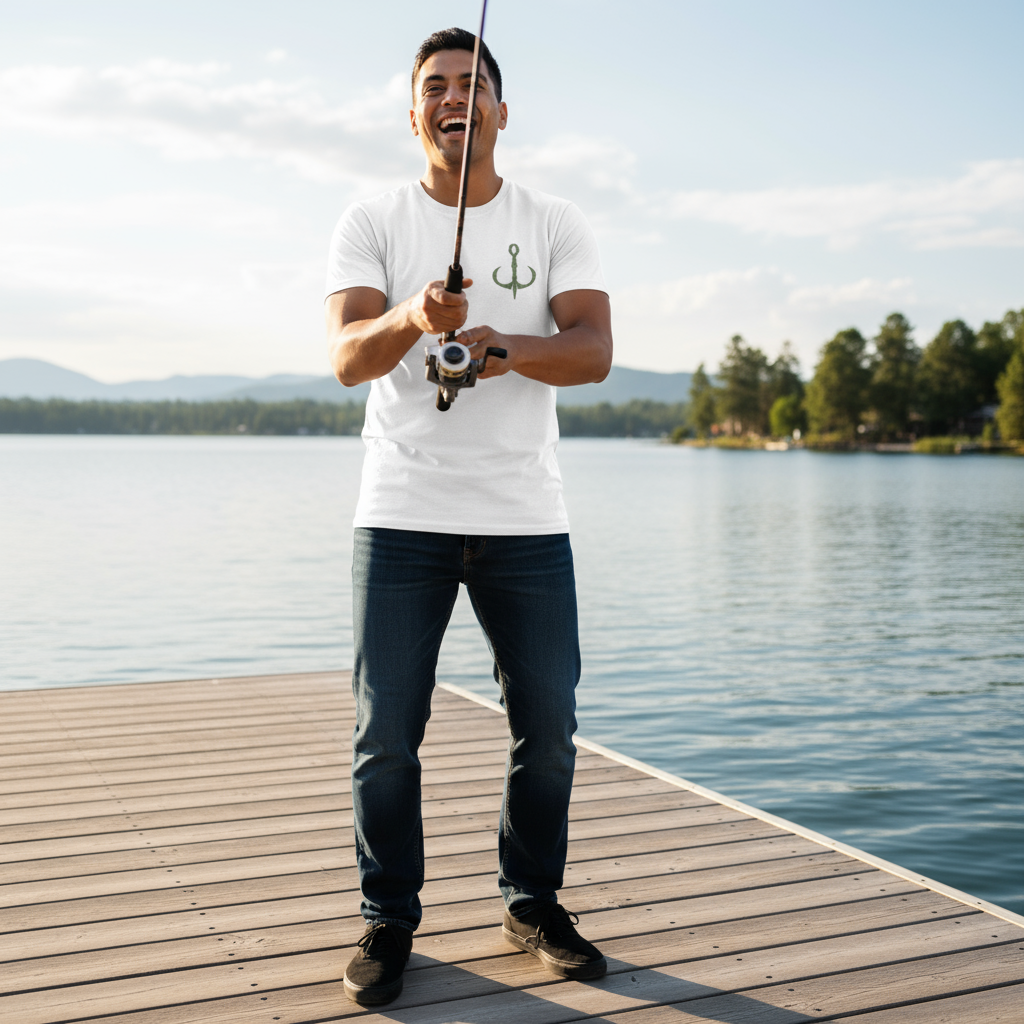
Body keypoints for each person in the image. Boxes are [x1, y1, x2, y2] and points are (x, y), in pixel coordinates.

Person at [324, 26, 613, 1007]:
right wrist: (415, 316)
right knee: (385, 732)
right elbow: (348, 357)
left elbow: (594, 351)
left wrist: (501, 344)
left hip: (526, 516)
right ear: (415, 115)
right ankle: (387, 919)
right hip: (400, 510)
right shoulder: (370, 219)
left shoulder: (555, 220)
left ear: (499, 109)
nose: (455, 98)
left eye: (472, 84)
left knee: (550, 724)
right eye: (436, 87)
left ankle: (530, 901)